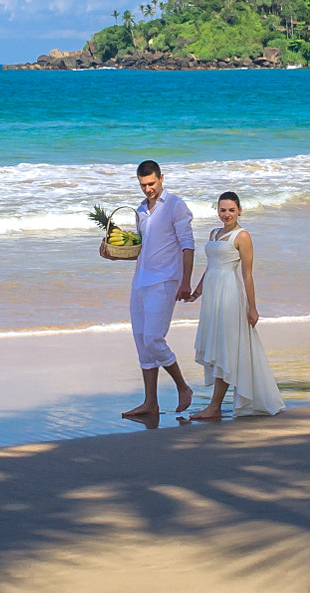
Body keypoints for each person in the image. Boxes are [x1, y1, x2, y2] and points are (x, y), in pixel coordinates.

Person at [106, 159, 195, 419]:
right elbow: (143, 251)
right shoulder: (140, 211)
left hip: (166, 281)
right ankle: (150, 403)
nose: (148, 189)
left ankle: (183, 387)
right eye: (143, 185)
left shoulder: (176, 206)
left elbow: (187, 245)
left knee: (154, 339)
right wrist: (114, 256)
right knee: (142, 343)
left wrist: (186, 281)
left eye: (152, 183)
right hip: (140, 282)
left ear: (162, 178)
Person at [185, 192, 285, 421]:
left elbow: (247, 275)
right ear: (217, 211)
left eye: (231, 210)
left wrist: (253, 308)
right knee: (217, 345)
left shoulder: (243, 236)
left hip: (229, 293)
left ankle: (214, 406)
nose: (226, 214)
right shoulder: (214, 233)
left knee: (225, 348)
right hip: (212, 294)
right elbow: (210, 267)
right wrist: (196, 293)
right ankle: (215, 405)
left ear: (239, 210)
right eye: (222, 210)